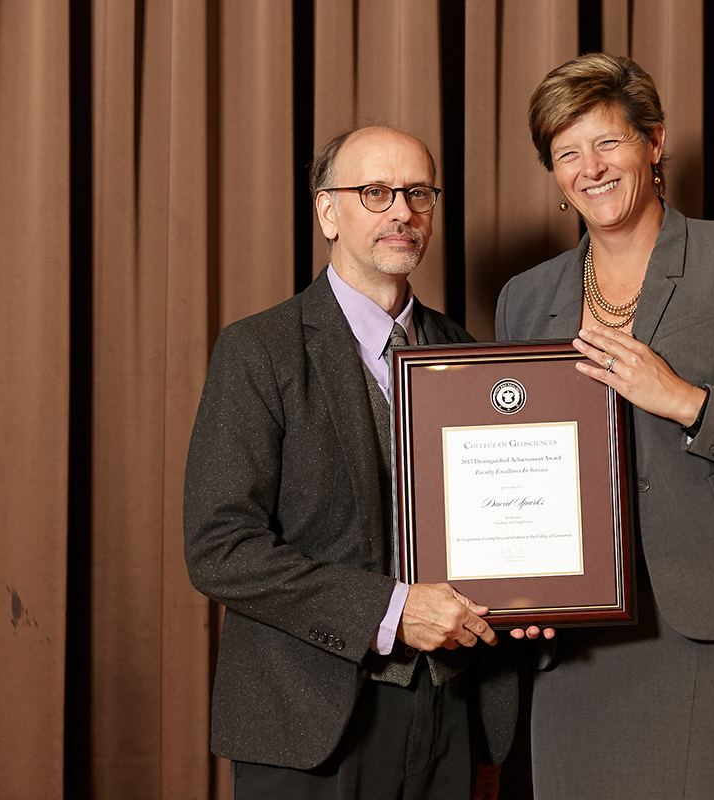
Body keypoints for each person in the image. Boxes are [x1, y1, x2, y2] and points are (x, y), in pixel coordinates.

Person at [494, 53, 714, 799]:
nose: (590, 167)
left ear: (654, 143)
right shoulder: (525, 299)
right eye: (567, 152)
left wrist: (686, 400)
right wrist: (516, 590)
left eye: (609, 142)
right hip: (582, 648)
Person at [184, 125, 518, 799]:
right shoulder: (258, 350)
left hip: (452, 711)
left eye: (417, 192)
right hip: (309, 721)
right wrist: (390, 612)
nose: (402, 210)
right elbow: (221, 549)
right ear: (328, 213)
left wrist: (532, 594)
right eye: (375, 192)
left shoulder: (469, 351)